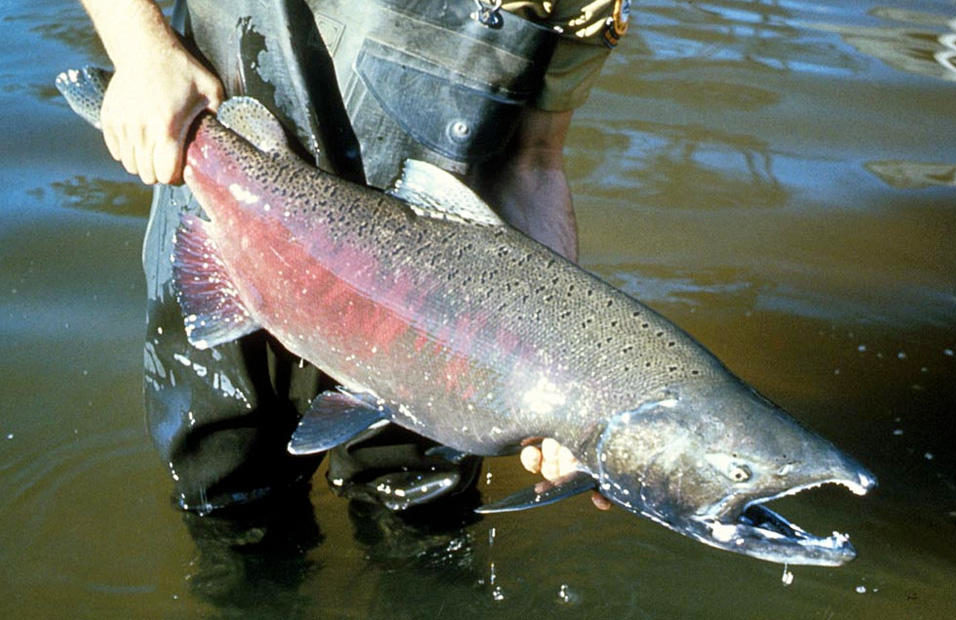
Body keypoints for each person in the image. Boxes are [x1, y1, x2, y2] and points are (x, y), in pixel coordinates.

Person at [78, 0, 624, 516]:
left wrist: (561, 381)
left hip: (430, 315)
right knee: (228, 491)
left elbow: (534, 160)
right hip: (233, 196)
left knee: (420, 525)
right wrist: (141, 49)